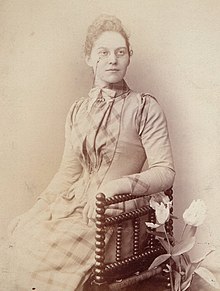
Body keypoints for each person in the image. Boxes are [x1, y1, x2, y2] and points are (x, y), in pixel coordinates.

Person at [8, 14, 175, 291]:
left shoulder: (144, 107)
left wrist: (113, 187)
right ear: (89, 58)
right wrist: (37, 208)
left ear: (129, 57)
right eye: (104, 52)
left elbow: (165, 171)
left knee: (40, 256)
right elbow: (68, 171)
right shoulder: (78, 110)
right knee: (21, 235)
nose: (113, 59)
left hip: (116, 217)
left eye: (120, 52)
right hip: (73, 208)